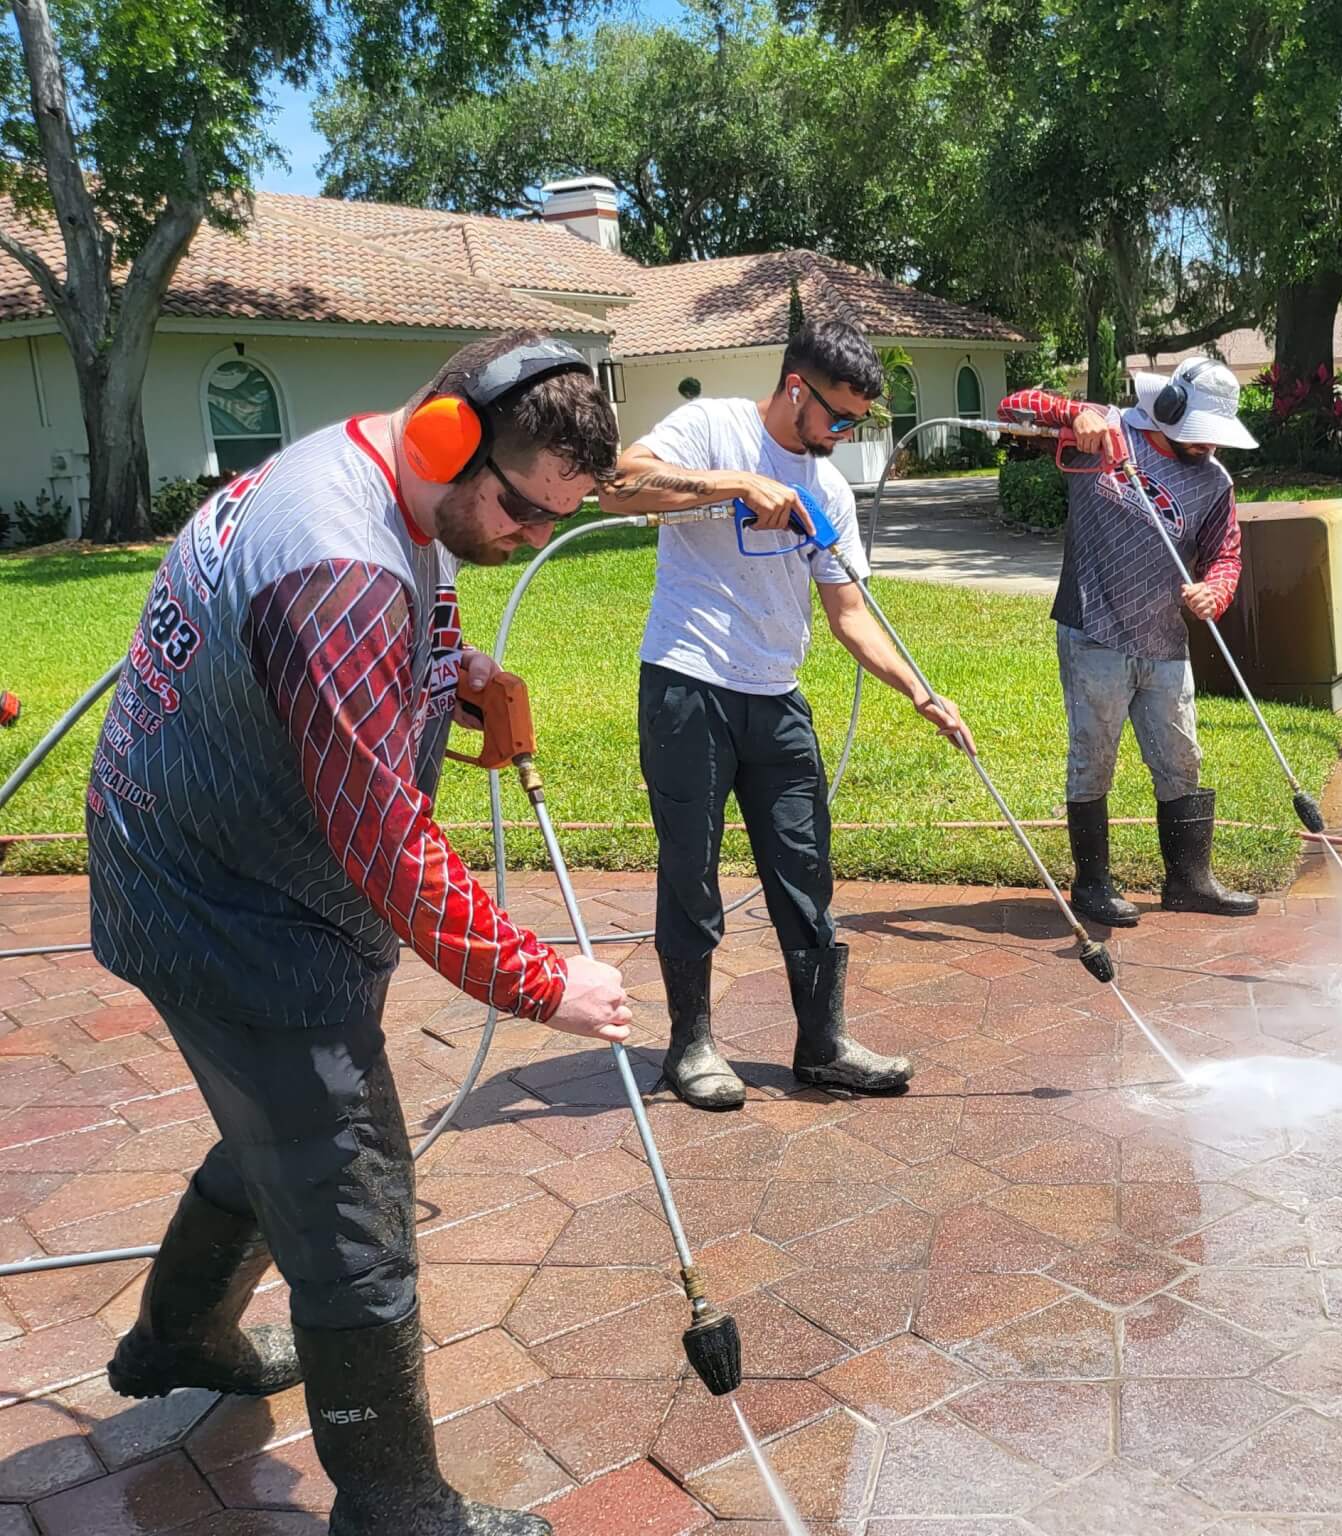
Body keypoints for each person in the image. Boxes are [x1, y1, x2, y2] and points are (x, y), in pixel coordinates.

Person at [87, 330, 630, 1536]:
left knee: (272, 1124)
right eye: (524, 512)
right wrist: (540, 983)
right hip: (229, 907)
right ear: (448, 434)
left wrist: (457, 666)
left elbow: (384, 635)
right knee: (351, 1195)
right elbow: (384, 839)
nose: (531, 540)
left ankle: (175, 1339)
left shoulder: (381, 482)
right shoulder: (332, 568)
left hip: (210, 866)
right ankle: (393, 1507)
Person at [600, 320, 974, 1110]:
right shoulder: (713, 427)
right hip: (687, 682)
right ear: (796, 388)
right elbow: (616, 483)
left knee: (804, 870)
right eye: (837, 416)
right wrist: (736, 484)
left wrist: (920, 691)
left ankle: (822, 1043)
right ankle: (690, 1044)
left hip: (777, 697)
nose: (844, 434)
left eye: (858, 423)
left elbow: (850, 613)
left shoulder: (828, 489)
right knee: (691, 869)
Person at [998, 356, 1260, 927]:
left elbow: (1226, 554)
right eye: (1198, 435)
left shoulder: (1215, 482)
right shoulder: (1104, 433)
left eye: (1214, 438)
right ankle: (1092, 885)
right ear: (1167, 409)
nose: (1206, 447)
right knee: (1093, 758)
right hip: (1094, 630)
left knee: (1181, 758)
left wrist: (1214, 593)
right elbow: (1010, 408)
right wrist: (1074, 411)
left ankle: (1189, 881)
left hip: (1165, 641)